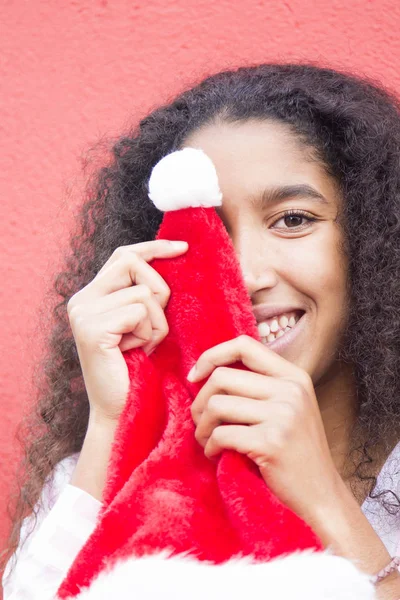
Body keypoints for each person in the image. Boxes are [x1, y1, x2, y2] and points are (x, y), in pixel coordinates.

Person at [2, 62, 400, 599]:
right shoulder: (108, 476)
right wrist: (115, 426)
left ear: (375, 238)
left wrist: (323, 497)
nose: (246, 275)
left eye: (293, 219)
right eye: (211, 229)